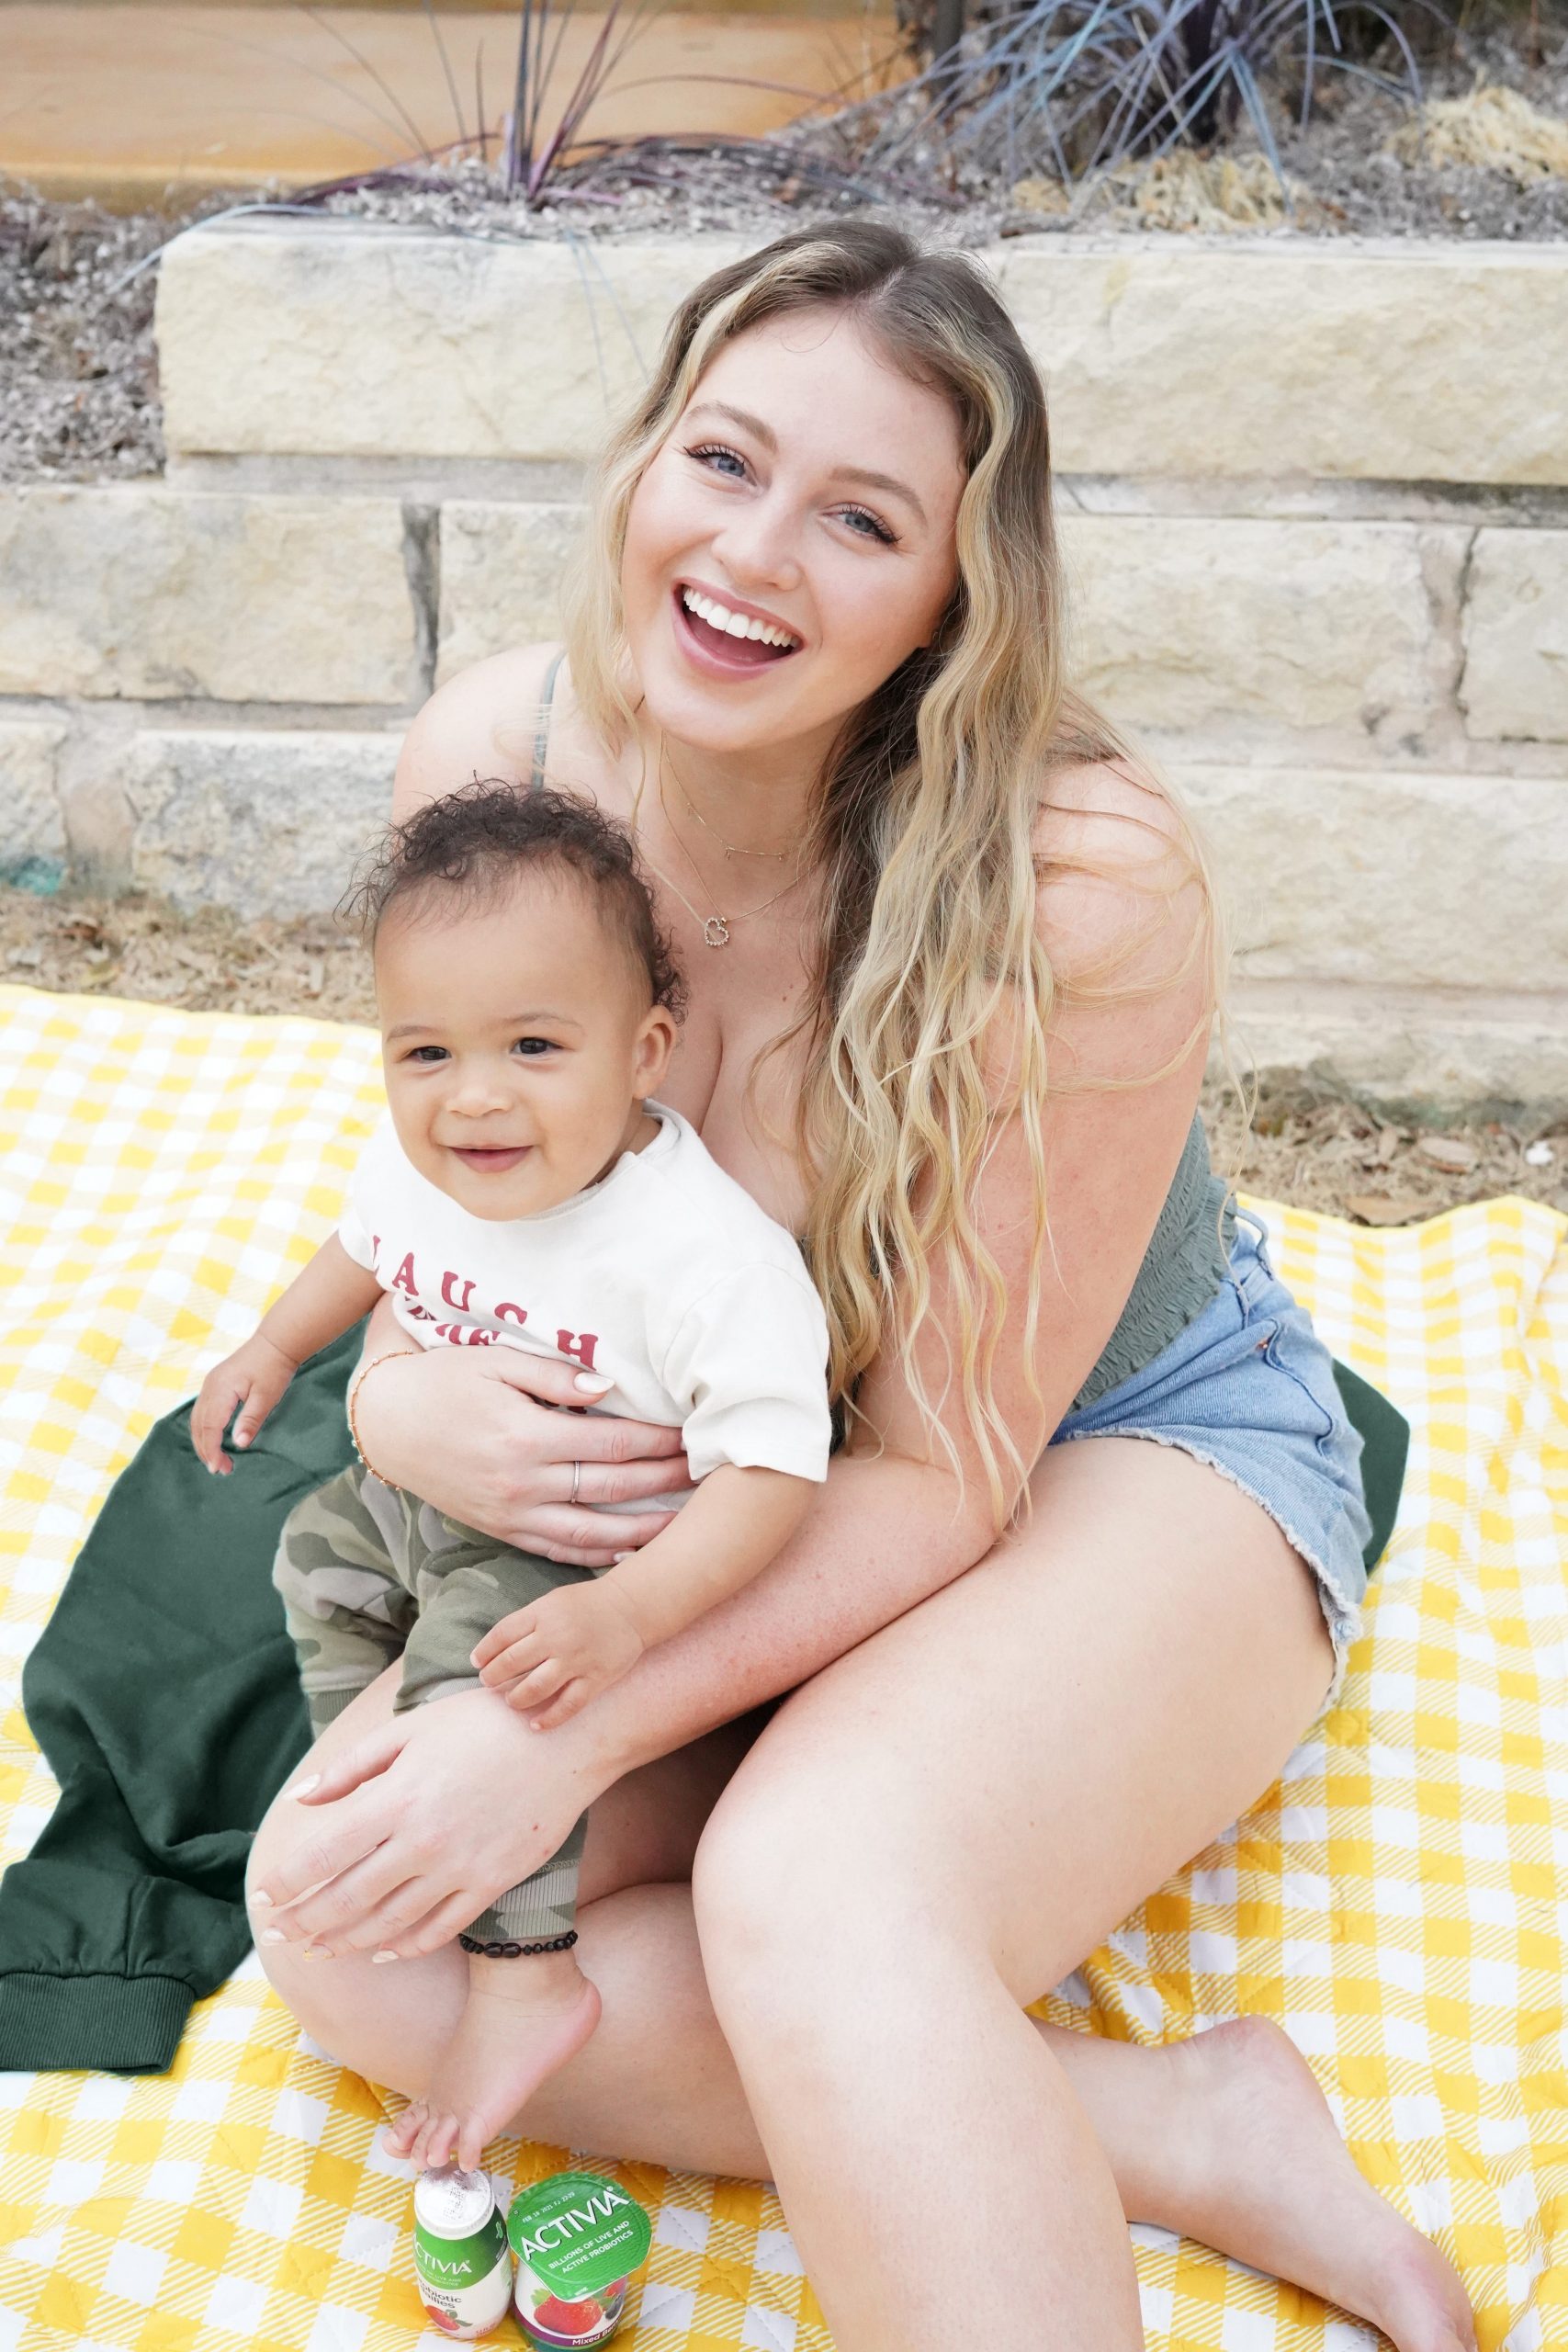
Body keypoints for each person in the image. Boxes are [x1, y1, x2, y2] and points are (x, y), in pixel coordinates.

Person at [245, 222, 1476, 2350]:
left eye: (861, 518)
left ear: (947, 601)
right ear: (639, 469)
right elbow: (477, 1200)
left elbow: (938, 1465)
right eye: (721, 461)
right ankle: (1164, 2115)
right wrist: (392, 1394)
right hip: (734, 1476)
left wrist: (577, 1735)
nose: (754, 555)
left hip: (1095, 1450)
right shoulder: (493, 764)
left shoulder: (1069, 882)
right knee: (346, 1917)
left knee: (810, 1880)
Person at [191, 782, 830, 2173]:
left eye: (535, 1047)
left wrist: (633, 1616)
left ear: (645, 1050)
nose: (473, 1097)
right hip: (440, 1511)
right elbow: (364, 1243)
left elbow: (779, 1474)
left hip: (595, 1562)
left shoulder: (700, 1257)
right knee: (317, 1551)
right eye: (425, 1053)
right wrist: (275, 1343)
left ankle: (526, 1968)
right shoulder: (434, 1160)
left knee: (489, 1646)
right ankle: (386, 1746)